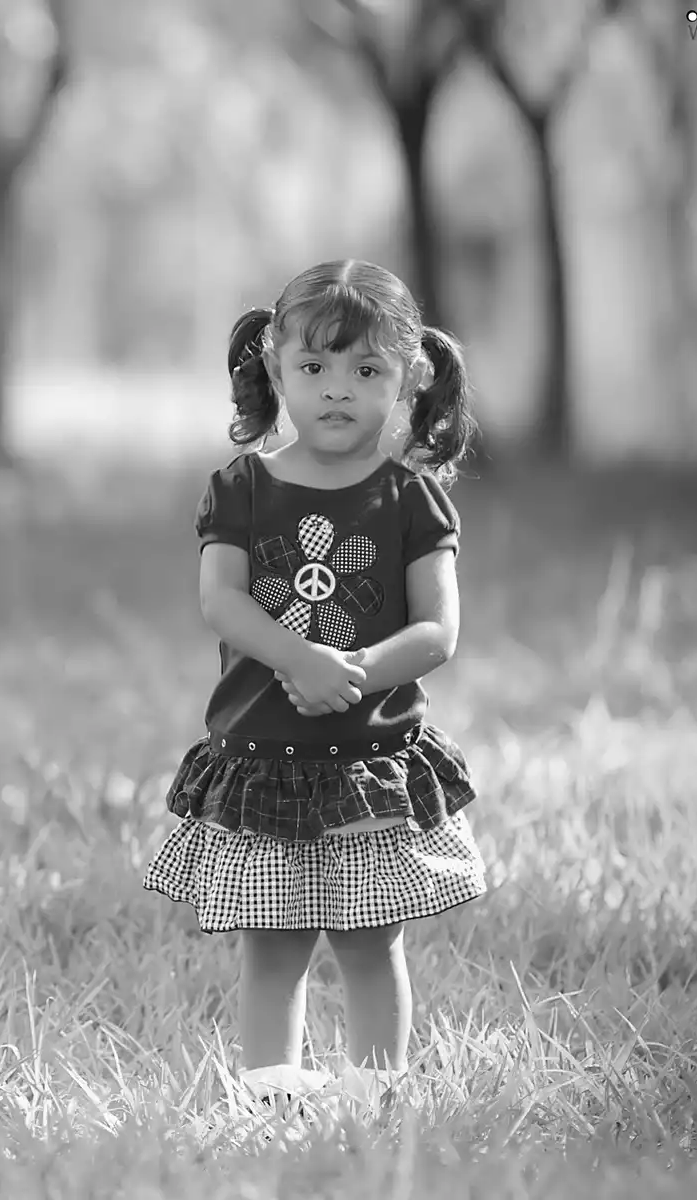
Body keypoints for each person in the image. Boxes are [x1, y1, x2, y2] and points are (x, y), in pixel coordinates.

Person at [142, 259, 488, 1106]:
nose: (338, 390)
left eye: (366, 371)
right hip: (265, 753)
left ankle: (376, 1095)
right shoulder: (242, 489)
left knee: (370, 938)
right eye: (315, 368)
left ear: (407, 379)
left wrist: (358, 672)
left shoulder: (410, 499)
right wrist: (297, 657)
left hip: (371, 755)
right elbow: (220, 600)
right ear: (275, 368)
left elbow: (437, 630)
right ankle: (271, 1092)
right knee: (274, 938)